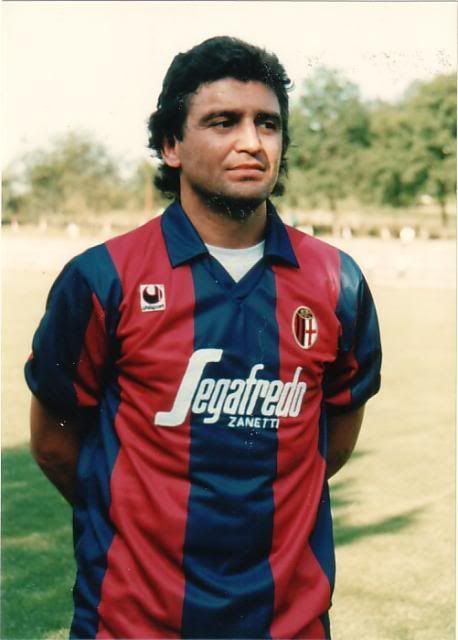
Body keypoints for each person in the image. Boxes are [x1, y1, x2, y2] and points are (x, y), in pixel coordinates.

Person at [25, 36, 382, 640]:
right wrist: (135, 526)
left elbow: (333, 441)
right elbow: (55, 443)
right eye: (223, 122)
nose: (252, 142)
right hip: (132, 623)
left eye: (267, 123)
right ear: (171, 145)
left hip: (287, 624)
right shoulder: (103, 277)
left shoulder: (336, 281)